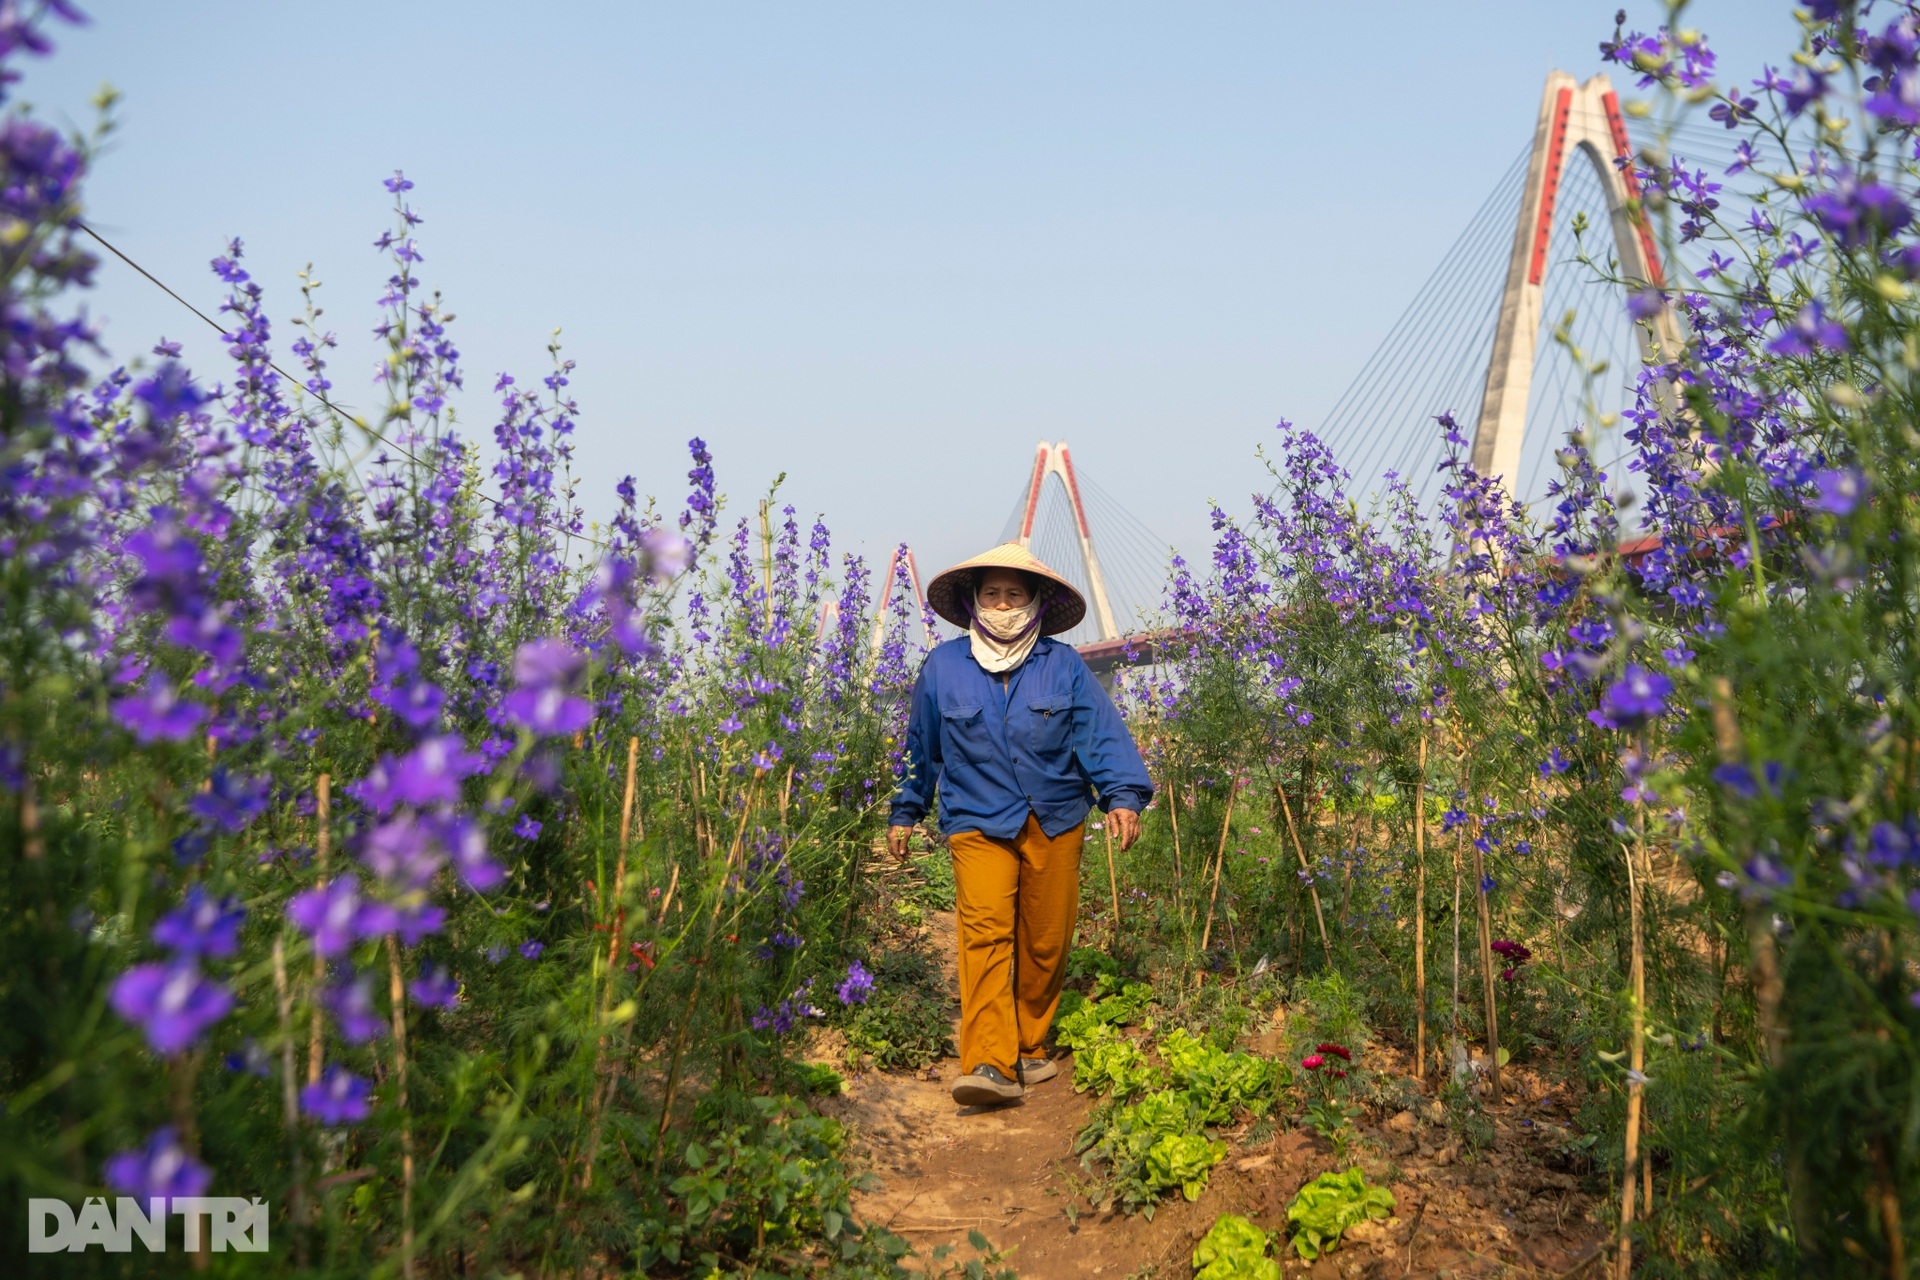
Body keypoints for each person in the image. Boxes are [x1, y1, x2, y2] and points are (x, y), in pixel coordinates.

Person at [888, 542, 1153, 1108]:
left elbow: (1100, 737)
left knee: (1046, 939)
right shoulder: (943, 668)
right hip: (976, 818)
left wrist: (1122, 795)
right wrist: (906, 811)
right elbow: (921, 748)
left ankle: (1029, 1044)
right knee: (984, 933)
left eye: (1014, 594)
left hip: (1054, 817)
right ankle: (988, 1060)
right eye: (992, 594)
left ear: (1034, 602)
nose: (1003, 604)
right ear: (973, 602)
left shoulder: (1063, 665)